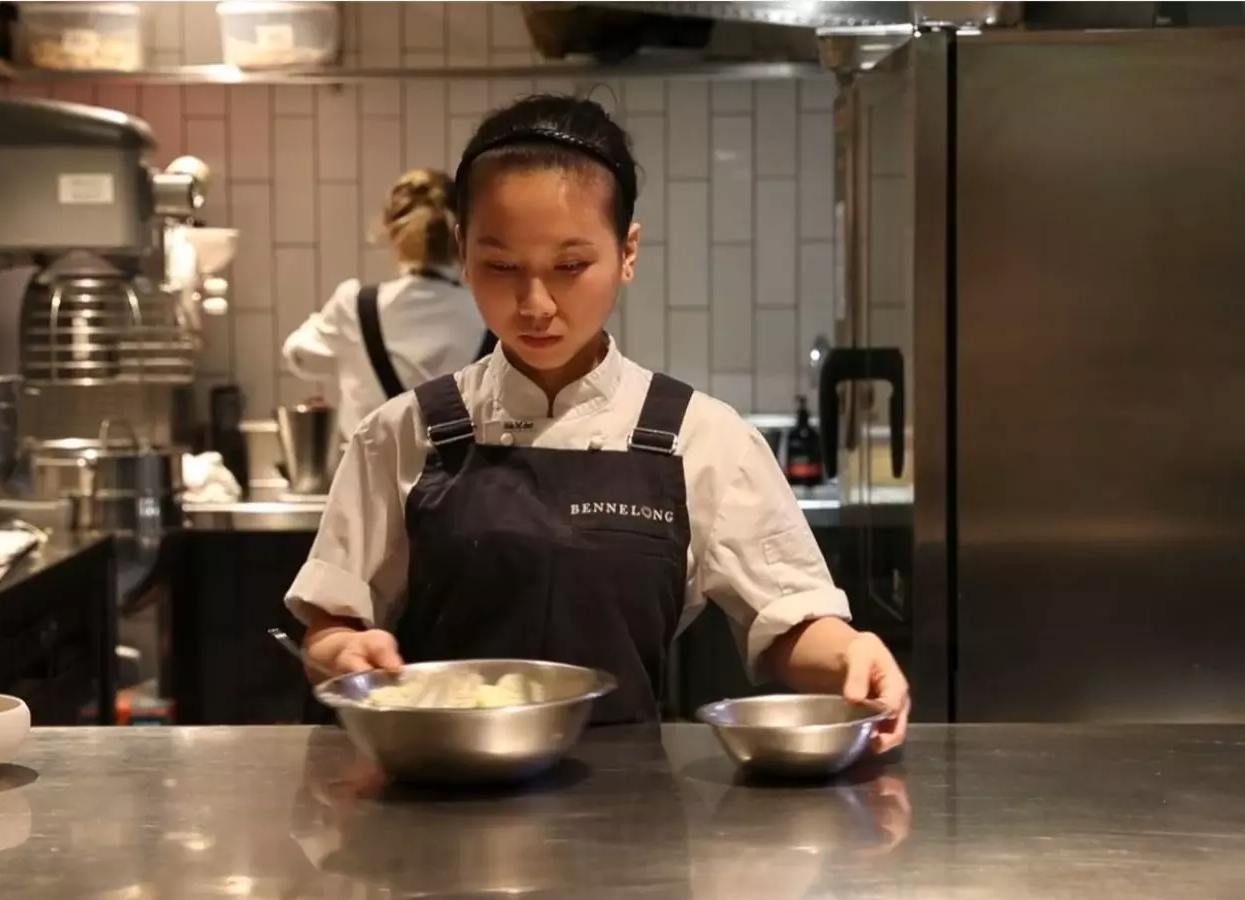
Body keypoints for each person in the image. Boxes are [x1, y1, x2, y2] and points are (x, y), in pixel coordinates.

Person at [285, 95, 910, 751]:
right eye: (501, 266)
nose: (535, 304)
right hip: (437, 801)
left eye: (570, 266)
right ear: (463, 253)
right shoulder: (400, 433)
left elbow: (786, 619)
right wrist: (343, 652)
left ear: (627, 252)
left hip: (631, 812)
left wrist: (851, 653)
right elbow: (332, 623)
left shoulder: (700, 438)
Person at [280, 169, 493, 451]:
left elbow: (299, 355)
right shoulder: (489, 310)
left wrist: (350, 360)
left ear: (391, 231)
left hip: (372, 488)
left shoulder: (355, 308)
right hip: (466, 490)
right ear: (462, 235)